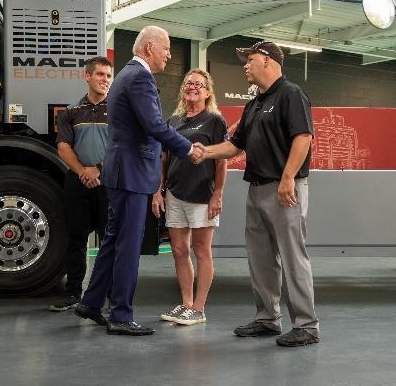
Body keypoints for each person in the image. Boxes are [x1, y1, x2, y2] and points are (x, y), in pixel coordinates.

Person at [74, 26, 202, 336]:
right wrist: (187, 148)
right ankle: (120, 314)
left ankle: (91, 303)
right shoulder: (140, 77)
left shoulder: (125, 76)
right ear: (148, 48)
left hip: (121, 171)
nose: (170, 54)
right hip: (132, 174)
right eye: (167, 48)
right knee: (128, 246)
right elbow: (155, 125)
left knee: (113, 240)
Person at [192, 40, 320, 347]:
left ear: (267, 60)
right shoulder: (255, 104)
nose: (245, 65)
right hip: (257, 189)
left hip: (284, 188)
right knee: (260, 258)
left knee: (292, 258)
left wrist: (288, 177)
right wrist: (205, 151)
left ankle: (307, 325)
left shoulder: (291, 95)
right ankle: (267, 319)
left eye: (249, 59)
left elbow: (303, 137)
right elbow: (235, 145)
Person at [152, 69, 228, 326]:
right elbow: (164, 159)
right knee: (178, 250)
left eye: (198, 84)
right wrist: (158, 191)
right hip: (175, 194)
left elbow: (221, 161)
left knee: (201, 251)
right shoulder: (173, 122)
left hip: (202, 196)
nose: (192, 87)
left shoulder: (214, 121)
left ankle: (199, 307)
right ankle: (185, 304)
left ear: (207, 93)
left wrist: (217, 194)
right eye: (188, 83)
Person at [49, 56, 113, 312]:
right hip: (78, 183)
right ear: (87, 76)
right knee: (76, 238)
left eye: (108, 76)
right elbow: (63, 147)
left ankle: (111, 296)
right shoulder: (71, 111)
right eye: (100, 75)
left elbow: (120, 147)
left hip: (109, 182)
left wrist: (97, 170)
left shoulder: (119, 111)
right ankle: (73, 292)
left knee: (111, 240)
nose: (104, 80)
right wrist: (83, 172)